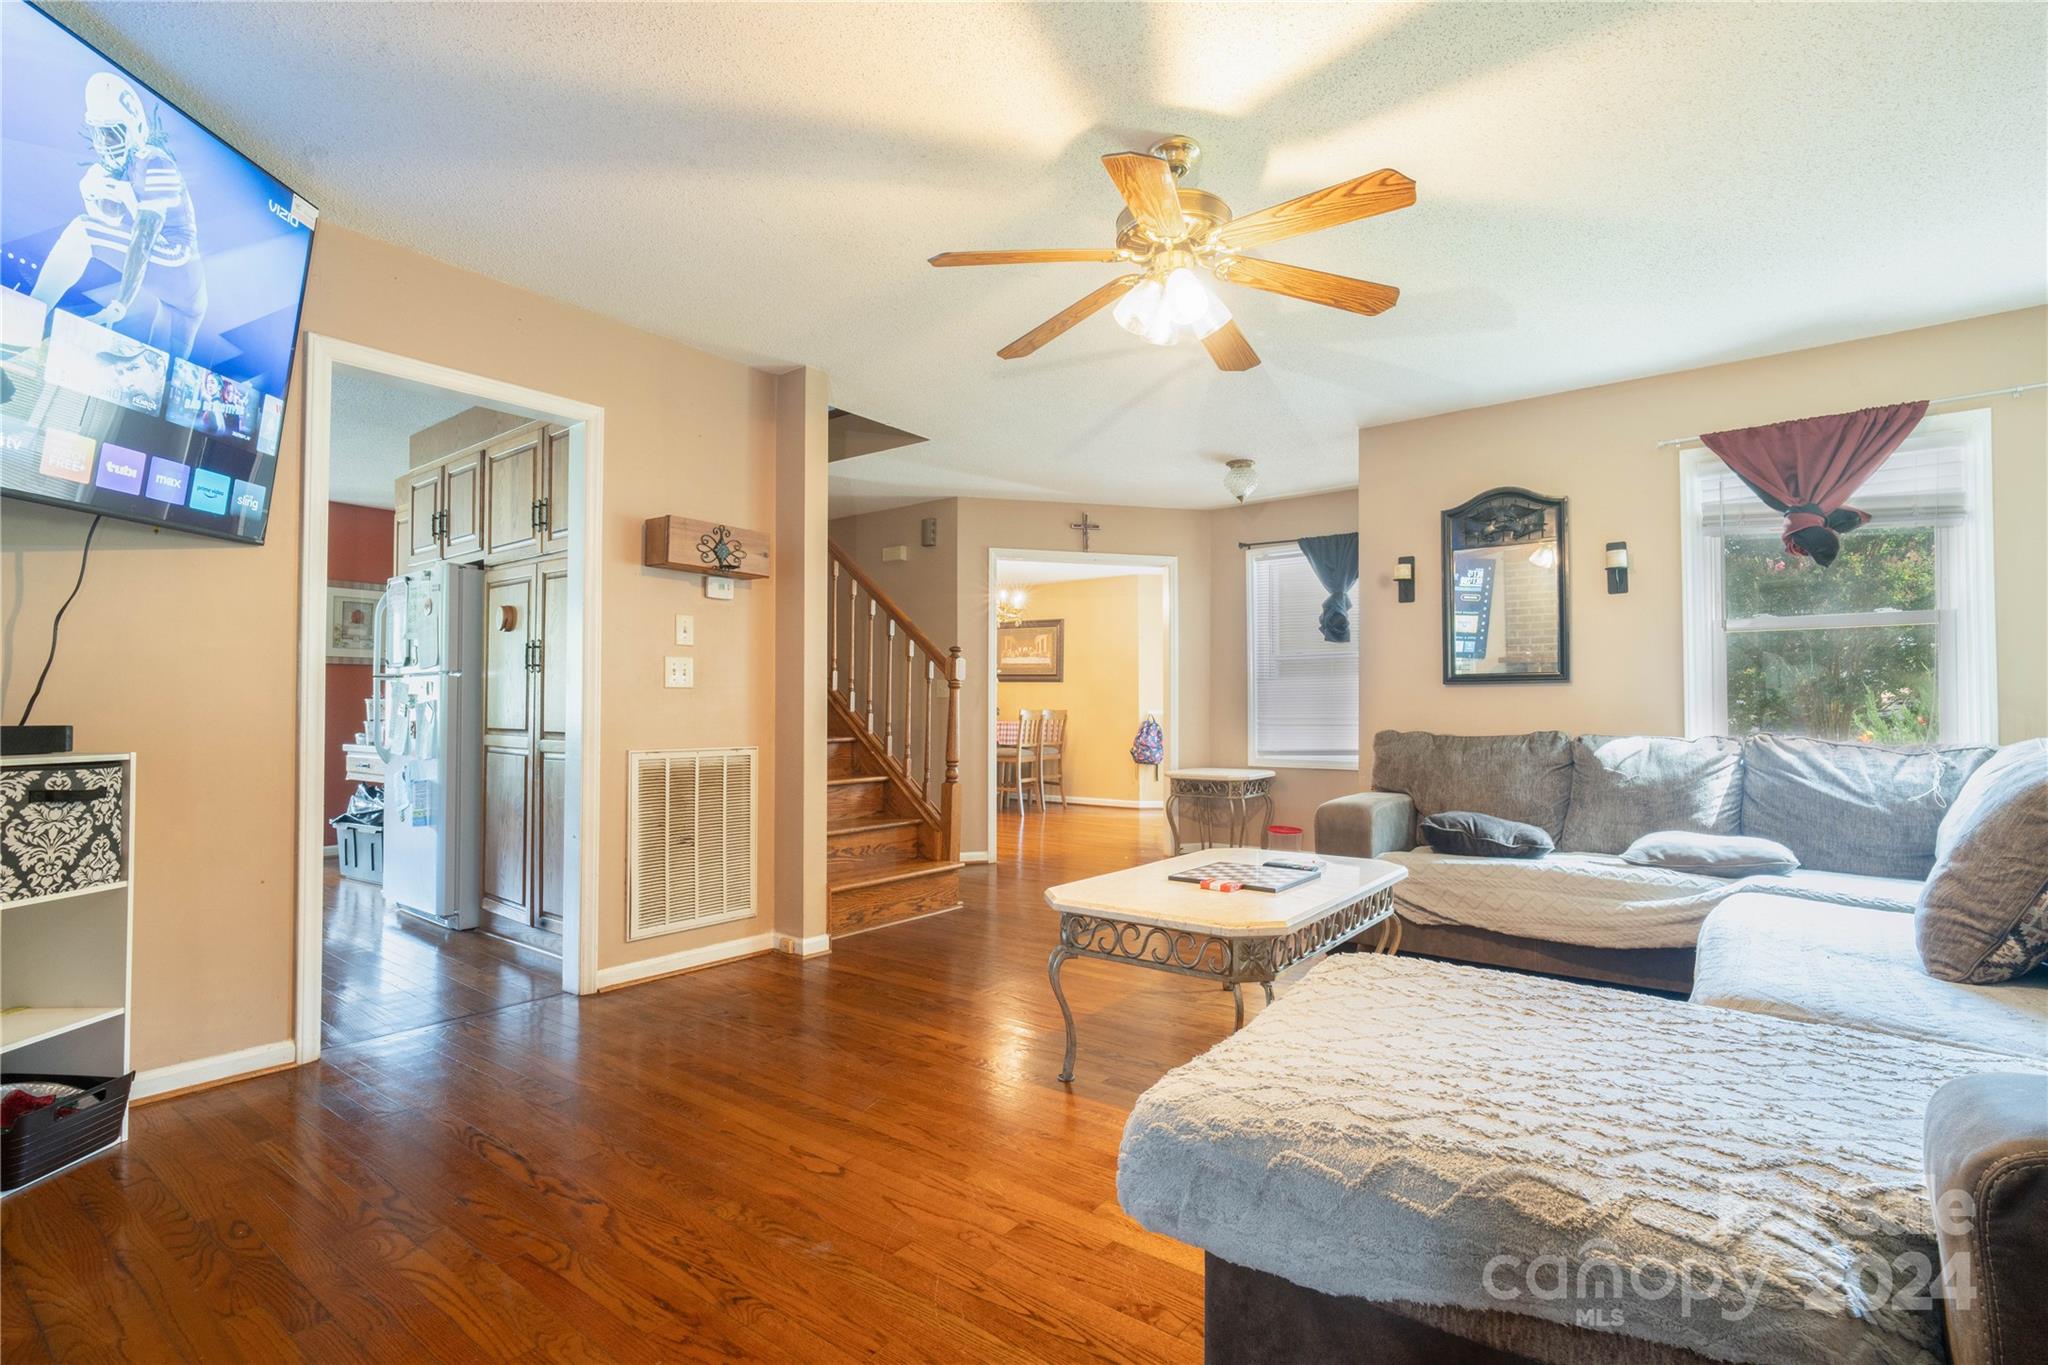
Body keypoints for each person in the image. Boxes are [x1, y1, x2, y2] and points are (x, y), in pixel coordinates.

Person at [29, 72, 207, 361]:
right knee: (158, 373)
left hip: (180, 262)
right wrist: (96, 196)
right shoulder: (128, 169)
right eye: (99, 132)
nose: (104, 141)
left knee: (82, 231)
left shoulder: (154, 160)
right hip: (184, 296)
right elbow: (116, 226)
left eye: (112, 131)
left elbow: (144, 236)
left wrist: (121, 302)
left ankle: (30, 314)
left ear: (134, 126)